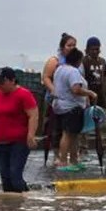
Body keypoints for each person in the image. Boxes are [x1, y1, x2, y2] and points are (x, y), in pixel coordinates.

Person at [0, 66, 39, 191]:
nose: (0, 85)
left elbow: (33, 114)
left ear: (12, 81)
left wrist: (31, 134)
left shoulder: (24, 94)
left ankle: (24, 199)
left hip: (18, 141)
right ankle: (10, 207)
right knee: (5, 177)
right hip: (0, 141)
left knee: (15, 175)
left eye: (3, 82)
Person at [52, 48, 95, 172]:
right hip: (71, 107)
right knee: (67, 134)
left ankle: (74, 160)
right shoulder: (73, 72)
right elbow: (76, 89)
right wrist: (90, 93)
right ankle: (64, 161)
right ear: (77, 60)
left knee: (74, 134)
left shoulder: (59, 69)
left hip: (61, 106)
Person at [41, 33, 76, 161]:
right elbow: (45, 77)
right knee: (55, 127)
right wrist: (54, 90)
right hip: (55, 99)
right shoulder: (54, 61)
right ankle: (56, 154)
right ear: (62, 47)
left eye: (74, 46)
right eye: (69, 45)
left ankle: (68, 154)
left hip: (71, 100)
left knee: (69, 129)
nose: (72, 48)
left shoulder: (75, 62)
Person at [81, 37, 106, 112]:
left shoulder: (102, 61)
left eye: (97, 49)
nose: (95, 52)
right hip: (89, 96)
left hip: (101, 97)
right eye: (93, 49)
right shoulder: (83, 61)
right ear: (88, 50)